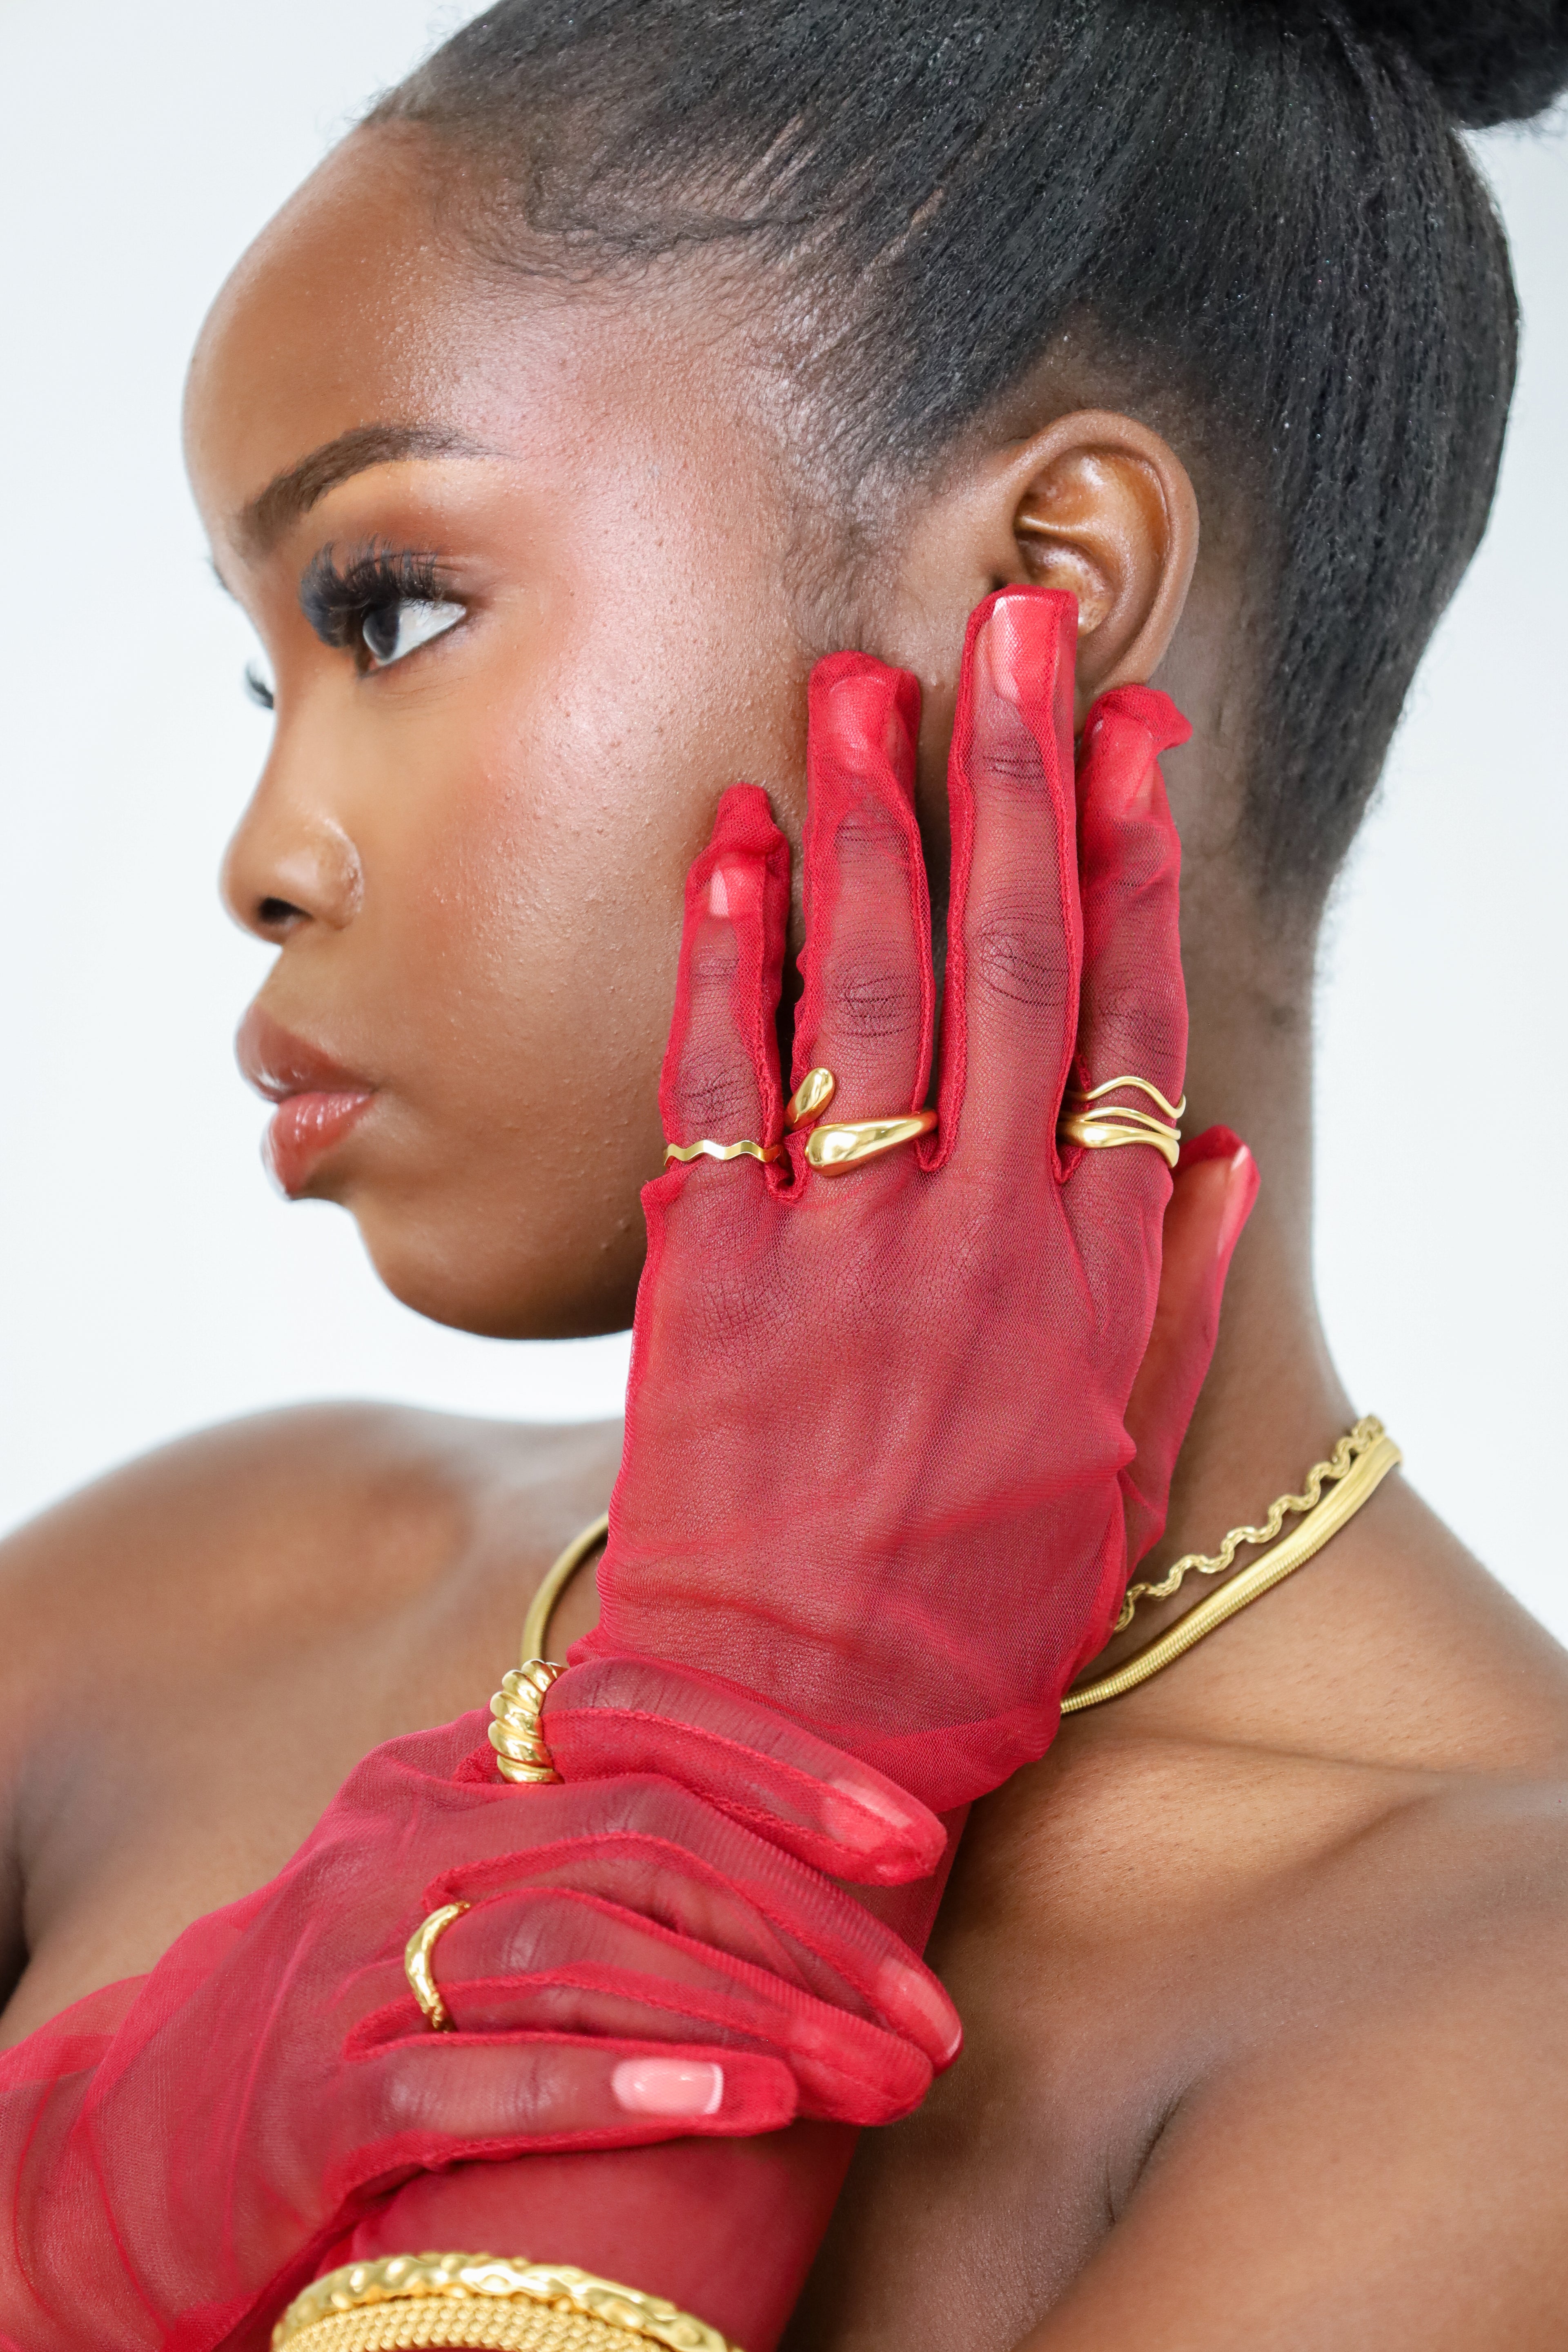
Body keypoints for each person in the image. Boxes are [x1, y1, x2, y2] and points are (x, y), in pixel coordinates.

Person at [2, 1, 1568, 2345]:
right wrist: (100, 2185)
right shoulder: (193, 1593)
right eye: (266, 683)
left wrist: (747, 1760)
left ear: (1046, 582)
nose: (263, 858)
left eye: (388, 609)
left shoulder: (1495, 2038)